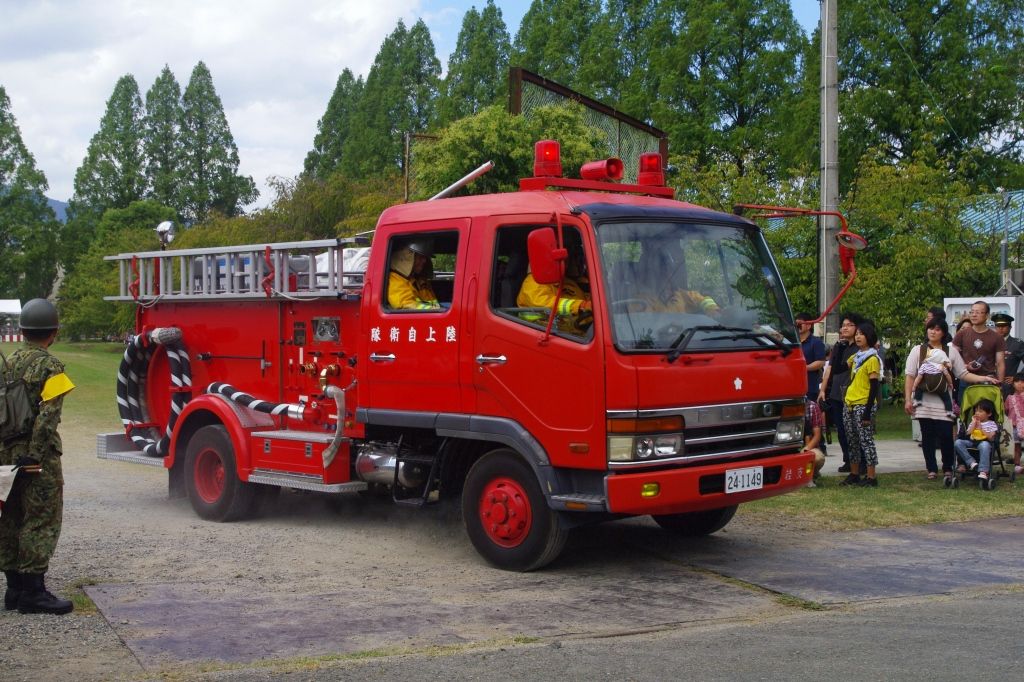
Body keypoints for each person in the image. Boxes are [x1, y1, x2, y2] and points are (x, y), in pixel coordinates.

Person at [0, 299, 75, 615]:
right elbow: (49, 415)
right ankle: (34, 592)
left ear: (23, 330)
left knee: (11, 517)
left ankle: (14, 589)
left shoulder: (8, 363)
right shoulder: (51, 366)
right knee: (41, 518)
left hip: (6, 455)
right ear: (53, 332)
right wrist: (35, 454)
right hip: (35, 458)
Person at [904, 319, 998, 483]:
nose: (933, 332)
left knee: (946, 435)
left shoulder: (951, 351)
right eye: (930, 328)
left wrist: (984, 378)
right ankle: (931, 469)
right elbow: (910, 375)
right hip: (923, 402)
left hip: (944, 403)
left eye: (937, 329)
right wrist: (907, 399)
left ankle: (948, 467)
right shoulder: (917, 350)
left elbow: (962, 374)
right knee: (927, 436)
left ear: (944, 333)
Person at [517, 233, 592, 335]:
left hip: (576, 333)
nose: (567, 261)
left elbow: (587, 302)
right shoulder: (533, 282)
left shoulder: (568, 281)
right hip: (543, 336)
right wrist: (580, 306)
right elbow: (543, 303)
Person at [817, 312, 864, 472]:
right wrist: (823, 390)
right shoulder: (839, 346)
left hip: (853, 393)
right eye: (843, 325)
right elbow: (830, 368)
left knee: (854, 431)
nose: (845, 328)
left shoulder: (860, 347)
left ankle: (860, 463)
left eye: (849, 325)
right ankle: (848, 460)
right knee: (842, 430)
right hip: (837, 392)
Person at [840, 321, 881, 487]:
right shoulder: (855, 357)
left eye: (861, 334)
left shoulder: (872, 359)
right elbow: (838, 367)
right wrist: (839, 346)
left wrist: (867, 412)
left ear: (869, 337)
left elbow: (874, 388)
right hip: (849, 402)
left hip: (864, 404)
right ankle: (854, 473)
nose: (857, 336)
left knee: (866, 440)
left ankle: (871, 476)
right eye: (856, 333)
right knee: (852, 440)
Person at [952, 301, 1005, 393]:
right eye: (972, 312)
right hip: (966, 379)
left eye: (978, 312)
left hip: (988, 381)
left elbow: (1000, 363)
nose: (973, 315)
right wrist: (966, 366)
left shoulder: (997, 337)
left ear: (987, 316)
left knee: (986, 407)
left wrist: (1000, 384)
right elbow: (953, 358)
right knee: (965, 407)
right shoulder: (961, 334)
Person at [953, 397, 1000, 486]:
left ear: (989, 413)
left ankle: (983, 471)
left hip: (985, 442)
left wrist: (982, 429)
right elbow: (968, 434)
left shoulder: (992, 424)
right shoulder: (973, 422)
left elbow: (991, 438)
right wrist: (974, 424)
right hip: (972, 441)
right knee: (958, 442)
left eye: (981, 411)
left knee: (985, 445)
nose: (977, 413)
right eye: (976, 411)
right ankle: (971, 462)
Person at [387, 239, 442, 310]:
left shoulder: (418, 278)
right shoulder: (395, 280)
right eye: (420, 257)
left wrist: (439, 309)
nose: (425, 261)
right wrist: (434, 310)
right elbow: (406, 305)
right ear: (407, 257)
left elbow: (432, 302)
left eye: (425, 257)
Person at [910, 346, 955, 417]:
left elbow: (919, 377)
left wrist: (914, 386)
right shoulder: (941, 366)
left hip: (927, 386)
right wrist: (950, 383)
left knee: (919, 388)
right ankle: (949, 411)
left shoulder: (924, 365)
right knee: (947, 398)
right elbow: (948, 376)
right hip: (940, 387)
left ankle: (918, 401)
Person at [991, 312, 1024, 398]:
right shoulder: (989, 343)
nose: (1001, 328)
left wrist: (1017, 378)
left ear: (1010, 327)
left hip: (1007, 387)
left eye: (1004, 326)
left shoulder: (1017, 344)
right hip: (989, 383)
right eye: (998, 326)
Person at [796, 313, 826, 404]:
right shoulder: (793, 342)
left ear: (809, 326)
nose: (797, 326)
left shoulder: (816, 342)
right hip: (795, 385)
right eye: (795, 324)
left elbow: (821, 362)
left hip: (810, 386)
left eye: (800, 324)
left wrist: (804, 368)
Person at [1002, 373, 1024, 476]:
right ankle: (1017, 465)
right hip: (1014, 426)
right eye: (1017, 381)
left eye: (1022, 382)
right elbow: (1005, 411)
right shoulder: (1009, 398)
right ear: (1013, 383)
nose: (1020, 384)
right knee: (1016, 446)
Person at [803, 400, 826, 487]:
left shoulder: (811, 407)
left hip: (806, 445)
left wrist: (805, 450)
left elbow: (809, 436)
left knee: (811, 457)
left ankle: (809, 477)